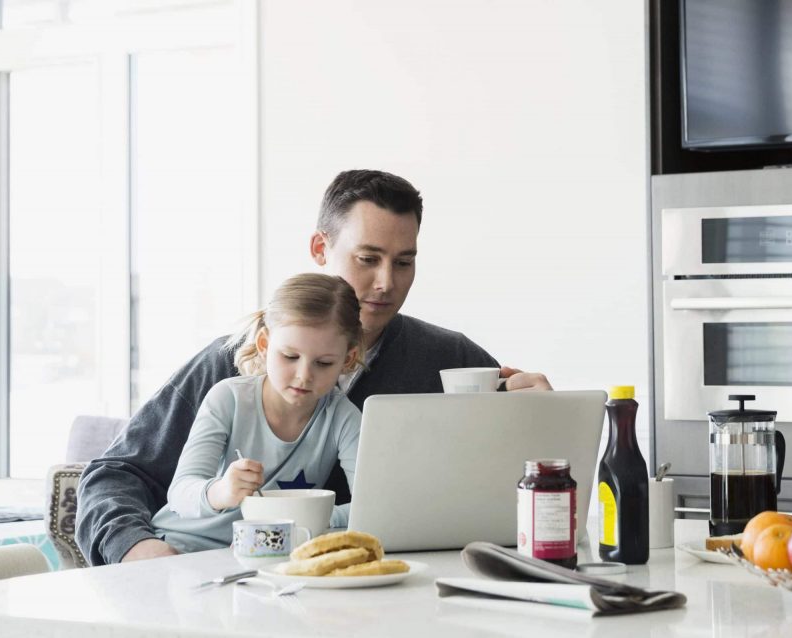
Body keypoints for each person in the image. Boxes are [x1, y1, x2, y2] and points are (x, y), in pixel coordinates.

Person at [77, 169, 552, 565]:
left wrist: (537, 424)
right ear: (320, 249)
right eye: (368, 258)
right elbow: (114, 475)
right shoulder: (231, 365)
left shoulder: (451, 361)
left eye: (404, 262)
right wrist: (135, 548)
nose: (386, 282)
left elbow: (517, 488)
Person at [150, 273, 364, 553]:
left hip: (263, 554)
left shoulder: (343, 417)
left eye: (324, 363)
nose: (303, 376)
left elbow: (369, 508)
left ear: (347, 359)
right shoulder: (228, 398)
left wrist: (283, 522)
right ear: (264, 345)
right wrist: (222, 492)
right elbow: (180, 495)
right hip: (181, 548)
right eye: (289, 356)